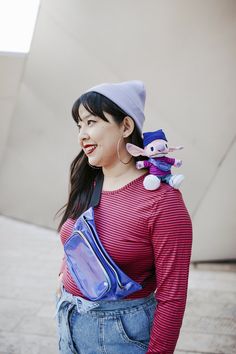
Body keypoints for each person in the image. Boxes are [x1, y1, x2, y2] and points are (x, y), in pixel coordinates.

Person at [55, 80, 192, 354]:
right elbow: (77, 238)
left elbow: (172, 297)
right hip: (69, 321)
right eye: (79, 125)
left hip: (120, 336)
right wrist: (63, 275)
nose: (82, 134)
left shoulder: (163, 203)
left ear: (126, 127)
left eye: (91, 122)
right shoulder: (89, 184)